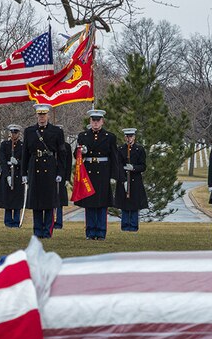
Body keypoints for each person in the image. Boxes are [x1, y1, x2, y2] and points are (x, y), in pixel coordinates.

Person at [21, 103, 65, 238]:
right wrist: (24, 173)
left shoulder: (56, 132)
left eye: (44, 115)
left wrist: (60, 173)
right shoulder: (29, 131)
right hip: (35, 167)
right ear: (36, 115)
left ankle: (47, 231)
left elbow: (62, 154)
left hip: (50, 167)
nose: (42, 117)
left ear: (48, 115)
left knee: (49, 201)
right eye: (39, 115)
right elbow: (25, 154)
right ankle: (38, 230)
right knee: (37, 202)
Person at [74, 109, 120, 240]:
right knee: (89, 204)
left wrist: (113, 176)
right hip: (88, 173)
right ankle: (90, 231)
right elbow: (75, 155)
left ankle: (100, 232)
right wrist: (81, 151)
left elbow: (114, 157)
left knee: (102, 204)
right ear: (90, 121)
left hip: (103, 172)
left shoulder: (110, 137)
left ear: (102, 122)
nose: (95, 123)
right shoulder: (83, 136)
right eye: (93, 120)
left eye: (98, 121)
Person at [115, 128, 148, 232]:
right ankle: (125, 226)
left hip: (135, 181)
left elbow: (143, 166)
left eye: (131, 136)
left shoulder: (140, 149)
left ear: (134, 137)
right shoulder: (120, 149)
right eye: (127, 136)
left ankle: (133, 226)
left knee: (134, 204)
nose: (129, 138)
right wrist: (123, 179)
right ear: (125, 137)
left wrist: (133, 168)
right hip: (124, 179)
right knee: (124, 205)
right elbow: (118, 165)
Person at [0, 124, 25, 228]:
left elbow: (25, 160)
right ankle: (8, 222)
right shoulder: (5, 145)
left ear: (19, 134)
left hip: (18, 175)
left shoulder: (22, 146)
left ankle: (16, 221)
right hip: (7, 174)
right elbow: (2, 160)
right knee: (7, 200)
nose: (14, 135)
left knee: (17, 201)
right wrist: (7, 175)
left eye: (15, 133)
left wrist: (18, 162)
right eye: (12, 133)